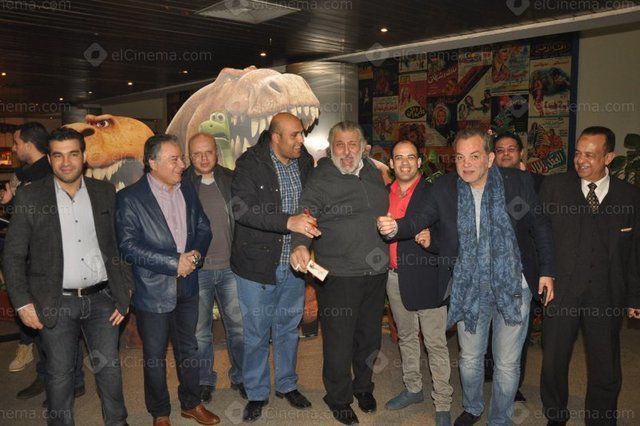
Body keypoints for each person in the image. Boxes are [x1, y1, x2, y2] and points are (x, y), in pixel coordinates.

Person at [377, 127, 555, 425]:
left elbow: (540, 226)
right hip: (469, 286)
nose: (466, 164)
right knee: (470, 359)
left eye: (474, 156)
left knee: (507, 363)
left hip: (512, 285)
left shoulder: (517, 183)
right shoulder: (446, 187)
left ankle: (500, 418)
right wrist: (397, 227)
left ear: (490, 158)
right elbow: (420, 218)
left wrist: (547, 271)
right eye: (460, 157)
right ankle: (472, 407)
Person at [3, 127, 132, 425]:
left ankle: (118, 422)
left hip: (102, 299)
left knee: (109, 368)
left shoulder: (104, 192)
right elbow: (13, 255)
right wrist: (22, 303)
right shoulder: (30, 196)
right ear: (49, 159)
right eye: (58, 155)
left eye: (73, 154)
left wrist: (126, 289)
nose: (66, 162)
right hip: (55, 301)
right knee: (60, 374)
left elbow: (118, 245)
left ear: (84, 157)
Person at [290, 121, 389, 425]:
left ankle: (363, 387)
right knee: (338, 342)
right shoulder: (321, 177)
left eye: (352, 144)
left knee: (369, 338)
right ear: (331, 148)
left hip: (375, 272)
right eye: (340, 145)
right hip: (338, 275)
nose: (346, 151)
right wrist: (301, 245)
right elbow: (306, 214)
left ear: (363, 147)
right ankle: (338, 397)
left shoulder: (373, 172)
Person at [540, 126, 640, 425]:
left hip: (606, 293)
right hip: (561, 290)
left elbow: (635, 251)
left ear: (609, 157)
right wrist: (543, 274)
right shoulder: (554, 187)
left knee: (605, 363)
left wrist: (635, 296)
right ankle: (555, 415)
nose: (581, 161)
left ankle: (600, 418)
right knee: (554, 359)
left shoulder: (630, 196)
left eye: (590, 155)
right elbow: (539, 236)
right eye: (578, 153)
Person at [116, 134, 218, 426]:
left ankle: (192, 403)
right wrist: (174, 262)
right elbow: (128, 246)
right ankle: (160, 412)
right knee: (154, 356)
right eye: (174, 159)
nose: (182, 165)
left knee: (189, 348)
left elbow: (203, 227)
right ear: (152, 162)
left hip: (188, 285)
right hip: (153, 290)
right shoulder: (129, 198)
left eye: (181, 158)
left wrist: (194, 257)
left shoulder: (186, 188)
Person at [230, 112, 316, 422]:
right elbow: (242, 210)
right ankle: (256, 392)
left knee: (288, 328)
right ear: (275, 137)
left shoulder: (304, 161)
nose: (301, 140)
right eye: (294, 135)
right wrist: (287, 221)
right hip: (257, 265)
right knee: (256, 333)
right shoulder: (249, 164)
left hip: (294, 264)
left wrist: (306, 236)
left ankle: (287, 384)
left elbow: (310, 203)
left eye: (302, 134)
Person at [2, 122, 86, 405]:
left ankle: (67, 381)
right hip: (36, 268)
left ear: (29, 143)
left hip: (54, 272)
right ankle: (55, 378)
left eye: (17, 142)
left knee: (59, 332)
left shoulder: (47, 177)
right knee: (49, 332)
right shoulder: (28, 177)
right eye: (58, 155)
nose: (14, 148)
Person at [382, 140, 453, 425]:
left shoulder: (433, 192)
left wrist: (432, 241)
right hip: (394, 278)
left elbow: (451, 234)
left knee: (435, 343)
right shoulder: (383, 194)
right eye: (399, 158)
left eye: (411, 157)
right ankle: (413, 388)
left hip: (427, 278)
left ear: (420, 162)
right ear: (391, 163)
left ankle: (443, 402)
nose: (405, 163)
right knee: (406, 337)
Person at [183, 132, 245, 402]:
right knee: (200, 332)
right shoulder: (181, 183)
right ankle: (204, 380)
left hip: (231, 268)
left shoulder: (232, 180)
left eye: (208, 152)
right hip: (198, 272)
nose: (204, 158)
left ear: (216, 153)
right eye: (197, 154)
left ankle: (241, 376)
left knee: (238, 328)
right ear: (189, 157)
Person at [487, 131, 544, 402]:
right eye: (500, 150)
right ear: (493, 156)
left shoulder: (538, 184)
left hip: (521, 271)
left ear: (521, 153)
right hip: (487, 272)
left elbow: (543, 228)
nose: (506, 153)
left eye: (511, 149)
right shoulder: (482, 182)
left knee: (515, 334)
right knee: (487, 328)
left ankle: (513, 384)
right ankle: (490, 371)